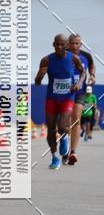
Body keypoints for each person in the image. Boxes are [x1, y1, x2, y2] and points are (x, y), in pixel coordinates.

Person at [34, 34, 85, 170]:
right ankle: (54, 157)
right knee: (51, 130)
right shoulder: (46, 60)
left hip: (67, 97)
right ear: (53, 44)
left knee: (62, 127)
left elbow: (83, 72)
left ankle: (64, 138)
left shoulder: (73, 58)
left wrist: (79, 84)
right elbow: (37, 82)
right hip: (52, 98)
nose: (59, 47)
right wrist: (39, 76)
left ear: (66, 45)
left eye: (62, 44)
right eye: (57, 44)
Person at [66, 33, 96, 165]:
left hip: (80, 92)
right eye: (72, 43)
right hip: (65, 92)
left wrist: (92, 75)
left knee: (76, 120)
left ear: (81, 44)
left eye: (77, 43)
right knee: (65, 122)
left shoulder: (86, 56)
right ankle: (65, 147)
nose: (74, 46)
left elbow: (91, 66)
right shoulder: (62, 54)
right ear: (68, 43)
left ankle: (73, 152)